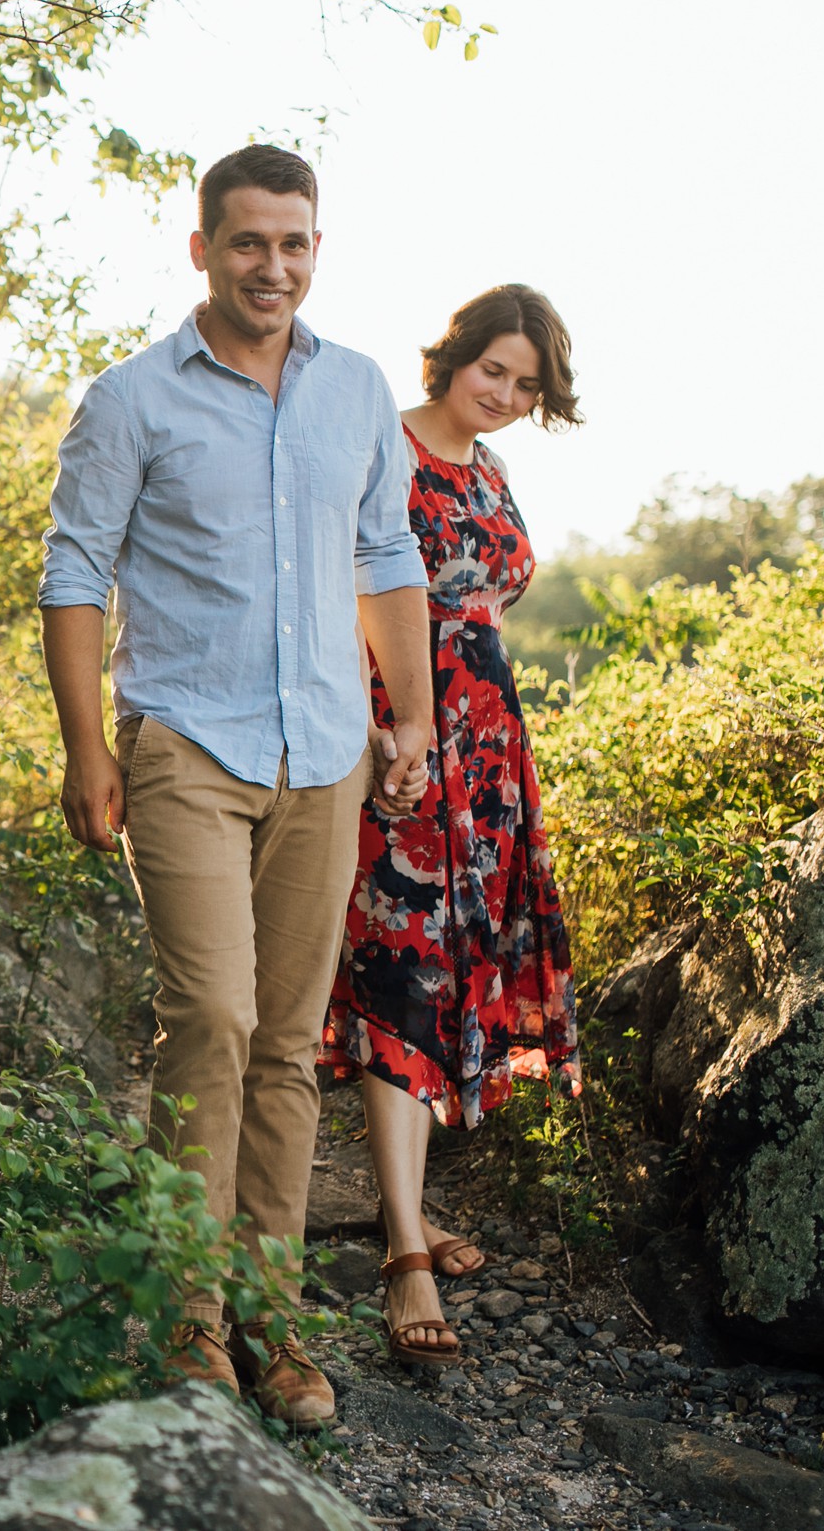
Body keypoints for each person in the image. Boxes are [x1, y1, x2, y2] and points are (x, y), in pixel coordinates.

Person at [38, 143, 438, 1427]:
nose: (275, 266)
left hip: (322, 752)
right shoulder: (132, 400)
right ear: (202, 246)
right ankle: (186, 1318)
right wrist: (85, 746)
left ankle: (271, 1319)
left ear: (317, 248)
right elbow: (72, 574)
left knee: (283, 1046)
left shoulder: (359, 390)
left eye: (297, 242)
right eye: (251, 241)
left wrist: (412, 714)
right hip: (186, 750)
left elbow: (387, 556)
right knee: (207, 1015)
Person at [318, 283, 585, 1367]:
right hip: (399, 738)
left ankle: (408, 1207)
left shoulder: (489, 467)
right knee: (401, 971)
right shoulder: (382, 446)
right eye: (494, 371)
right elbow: (345, 586)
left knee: (447, 967)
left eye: (526, 384)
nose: (506, 395)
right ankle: (403, 1251)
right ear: (453, 354)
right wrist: (395, 734)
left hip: (488, 749)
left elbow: (487, 605)